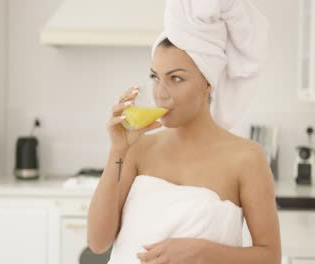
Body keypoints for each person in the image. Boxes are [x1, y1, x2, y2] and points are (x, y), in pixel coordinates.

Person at [88, 0, 281, 263]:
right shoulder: (137, 148)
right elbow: (98, 243)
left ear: (208, 83)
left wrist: (202, 252)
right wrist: (117, 151)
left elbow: (270, 256)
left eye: (176, 78)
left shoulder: (246, 158)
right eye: (155, 77)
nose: (160, 93)